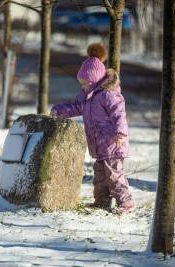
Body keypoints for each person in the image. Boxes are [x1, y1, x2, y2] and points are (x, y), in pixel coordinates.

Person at [50, 43, 134, 214]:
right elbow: (75, 107)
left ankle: (126, 202)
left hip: (113, 143)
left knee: (114, 175)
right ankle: (102, 201)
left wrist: (120, 132)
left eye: (85, 83)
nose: (82, 87)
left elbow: (119, 113)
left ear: (94, 80)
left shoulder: (108, 94)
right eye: (81, 83)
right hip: (100, 146)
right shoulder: (87, 97)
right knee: (100, 177)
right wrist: (59, 111)